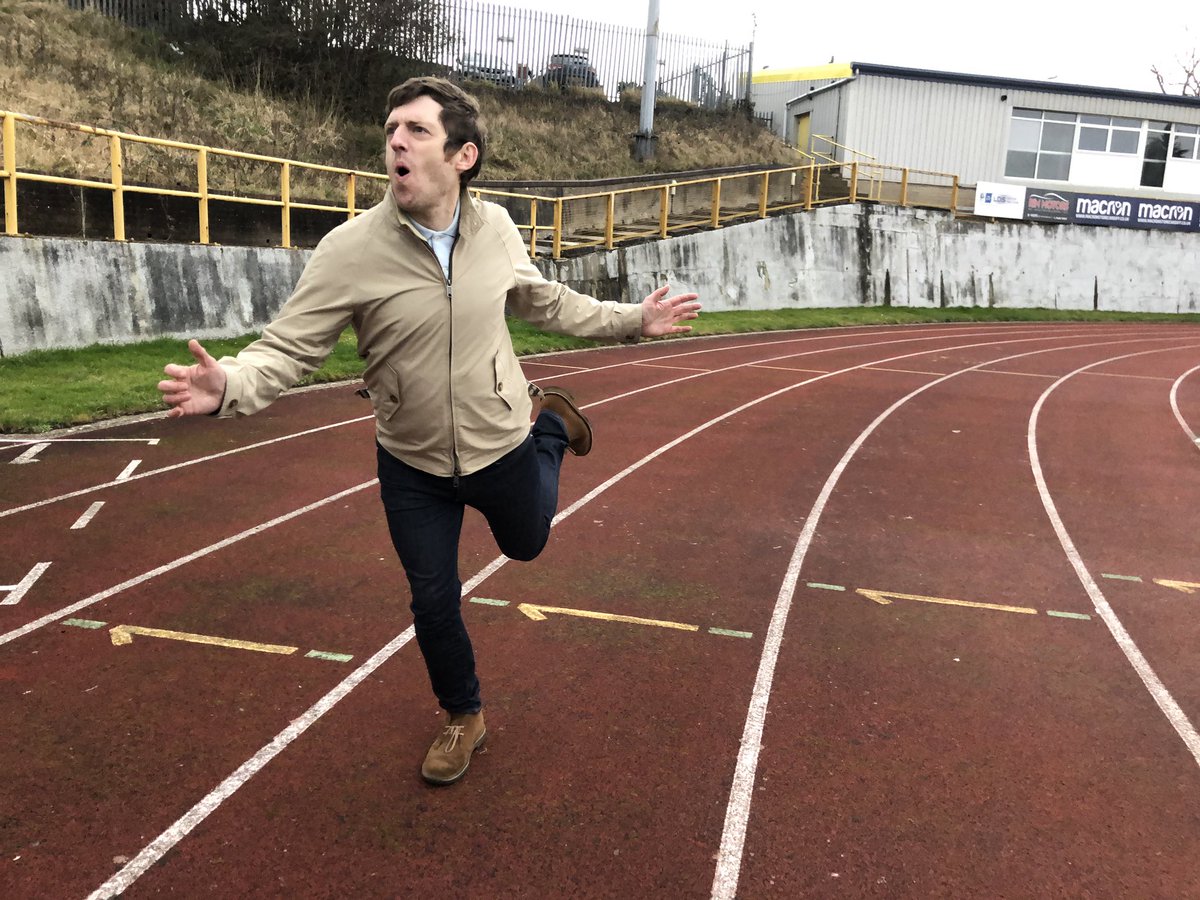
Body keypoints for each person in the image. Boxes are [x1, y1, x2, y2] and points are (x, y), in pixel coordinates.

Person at [157, 76, 700, 786]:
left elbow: (543, 301)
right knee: (432, 597)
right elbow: (286, 350)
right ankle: (463, 716)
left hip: (499, 440)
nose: (395, 142)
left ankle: (553, 430)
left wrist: (634, 320)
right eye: (391, 130)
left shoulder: (496, 228)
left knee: (527, 544)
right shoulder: (350, 250)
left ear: (462, 155)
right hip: (409, 460)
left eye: (415, 130)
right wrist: (230, 383)